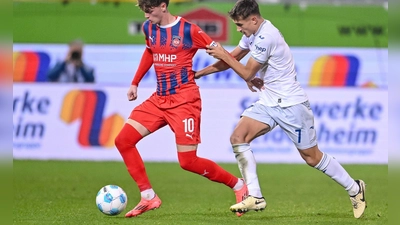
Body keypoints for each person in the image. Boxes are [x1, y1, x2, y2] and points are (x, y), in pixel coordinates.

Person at [195, 0, 366, 219]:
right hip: (268, 101)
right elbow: (234, 58)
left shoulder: (267, 36)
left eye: (240, 24)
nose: (239, 29)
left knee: (312, 157)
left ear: (254, 19)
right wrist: (199, 73)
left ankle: (354, 188)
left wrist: (223, 54)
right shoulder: (251, 34)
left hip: (291, 104)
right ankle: (255, 195)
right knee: (238, 136)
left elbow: (246, 72)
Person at [114, 0, 248, 218]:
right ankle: (148, 196)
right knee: (123, 141)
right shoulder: (148, 28)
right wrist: (135, 82)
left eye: (149, 11)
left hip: (184, 102)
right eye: (144, 12)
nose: (147, 16)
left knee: (188, 161)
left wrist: (246, 76)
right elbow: (150, 51)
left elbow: (221, 52)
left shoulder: (189, 30)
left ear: (163, 6)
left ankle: (239, 186)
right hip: (160, 99)